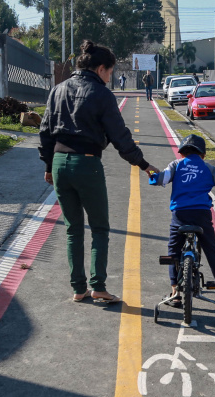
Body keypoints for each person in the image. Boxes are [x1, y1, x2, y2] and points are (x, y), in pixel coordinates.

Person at [39, 40, 160, 303]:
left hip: (59, 163)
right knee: (100, 228)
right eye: (110, 72)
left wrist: (48, 166)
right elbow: (120, 136)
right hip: (87, 164)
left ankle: (78, 289)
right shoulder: (102, 94)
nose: (109, 77)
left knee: (73, 229)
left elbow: (45, 132)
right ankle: (98, 286)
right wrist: (143, 164)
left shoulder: (57, 90)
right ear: (101, 68)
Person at [149, 134, 215, 307]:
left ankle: (175, 293)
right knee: (212, 252)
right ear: (202, 154)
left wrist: (152, 174)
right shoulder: (208, 168)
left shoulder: (176, 165)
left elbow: (159, 179)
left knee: (173, 251)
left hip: (180, 215)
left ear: (182, 153)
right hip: (201, 215)